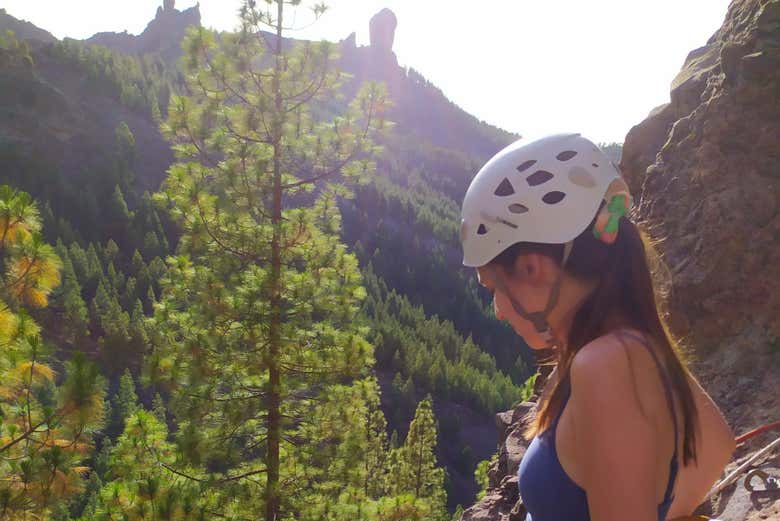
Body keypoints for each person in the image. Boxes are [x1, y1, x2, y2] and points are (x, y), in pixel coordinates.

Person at [459, 134, 736, 521]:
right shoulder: (631, 341)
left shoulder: (606, 364)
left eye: (493, 288)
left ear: (531, 267)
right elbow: (716, 442)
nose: (499, 311)